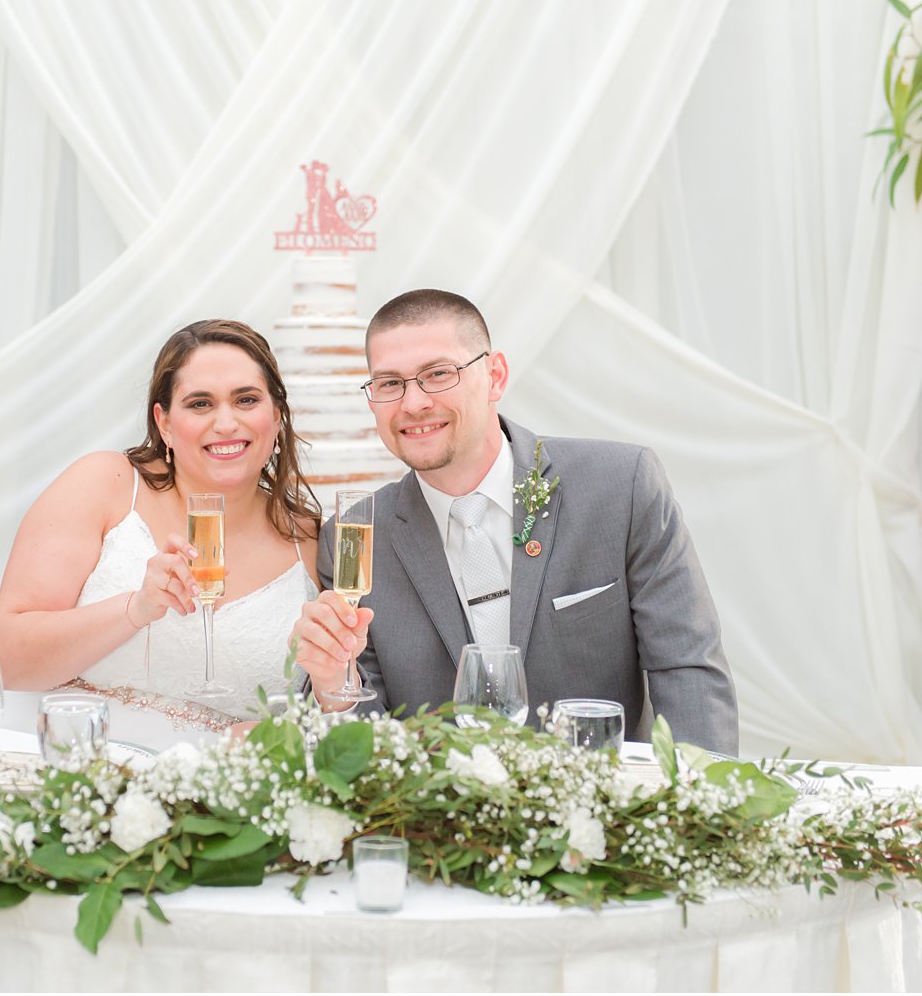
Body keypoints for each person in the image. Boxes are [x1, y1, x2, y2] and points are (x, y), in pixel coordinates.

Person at [291, 290, 738, 754]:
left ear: (495, 376)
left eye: (438, 374)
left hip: (606, 808)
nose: (413, 403)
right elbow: (366, 740)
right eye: (389, 384)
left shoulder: (621, 486)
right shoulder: (354, 535)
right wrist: (331, 684)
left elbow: (687, 669)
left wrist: (694, 811)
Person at [0, 319, 320, 742]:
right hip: (68, 769)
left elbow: (326, 701)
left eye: (246, 399)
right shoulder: (104, 485)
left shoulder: (309, 542)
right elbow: (3, 661)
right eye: (200, 404)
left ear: (276, 416)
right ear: (163, 423)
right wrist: (136, 608)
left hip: (219, 797)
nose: (225, 423)